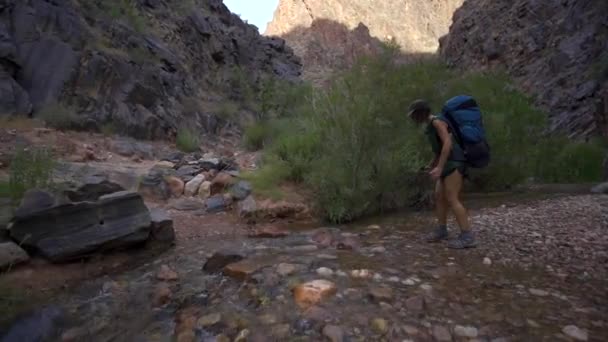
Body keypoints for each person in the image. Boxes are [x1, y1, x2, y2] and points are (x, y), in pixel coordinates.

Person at [408, 99, 477, 249]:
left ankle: (467, 236)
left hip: (455, 163)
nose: (413, 118)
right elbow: (439, 150)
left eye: (414, 115)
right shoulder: (430, 126)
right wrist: (432, 165)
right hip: (446, 164)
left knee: (452, 198)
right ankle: (442, 230)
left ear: (422, 113)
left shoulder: (437, 122)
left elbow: (447, 143)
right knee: (439, 197)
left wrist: (439, 168)